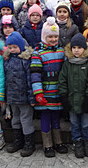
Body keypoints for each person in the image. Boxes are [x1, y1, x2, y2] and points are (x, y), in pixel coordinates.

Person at [30, 17, 68, 157]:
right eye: (50, 37)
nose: (53, 39)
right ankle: (47, 144)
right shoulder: (38, 53)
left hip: (57, 91)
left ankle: (58, 142)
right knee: (45, 117)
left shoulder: (61, 51)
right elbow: (35, 75)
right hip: (45, 93)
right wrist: (38, 93)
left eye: (55, 37)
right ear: (44, 37)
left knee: (56, 117)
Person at [59, 34, 88, 158]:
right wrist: (64, 97)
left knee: (86, 124)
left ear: (84, 49)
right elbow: (62, 81)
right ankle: (78, 142)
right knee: (75, 124)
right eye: (74, 47)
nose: (76, 50)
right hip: (71, 101)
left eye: (79, 47)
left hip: (85, 101)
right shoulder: (67, 64)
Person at [3, 32, 36, 157]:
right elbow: (5, 80)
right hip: (12, 97)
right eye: (10, 47)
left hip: (24, 97)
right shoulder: (7, 61)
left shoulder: (25, 61)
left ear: (21, 46)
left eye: (15, 47)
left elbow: (29, 80)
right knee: (15, 119)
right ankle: (18, 141)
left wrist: (31, 96)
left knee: (26, 119)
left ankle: (29, 143)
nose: (12, 50)